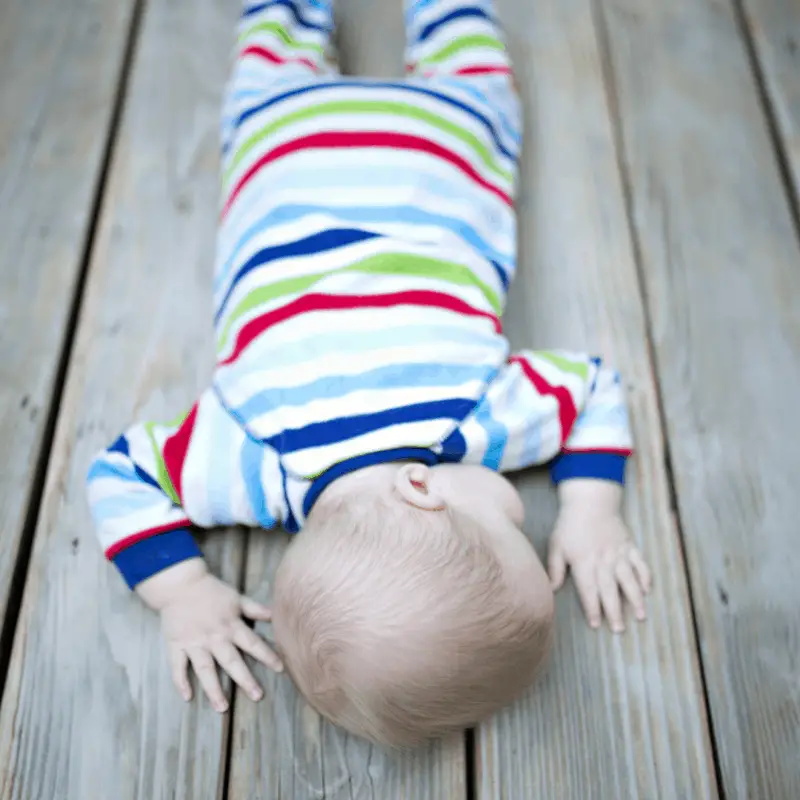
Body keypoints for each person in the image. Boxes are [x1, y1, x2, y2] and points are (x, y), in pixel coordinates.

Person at [86, 0, 652, 747]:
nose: (525, 510)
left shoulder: (471, 416)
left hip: (445, 134)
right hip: (282, 133)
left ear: (421, 490)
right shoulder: (250, 457)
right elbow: (120, 475)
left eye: (514, 524)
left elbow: (592, 387)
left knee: (474, 62)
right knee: (272, 46)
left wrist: (589, 509)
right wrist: (180, 588)